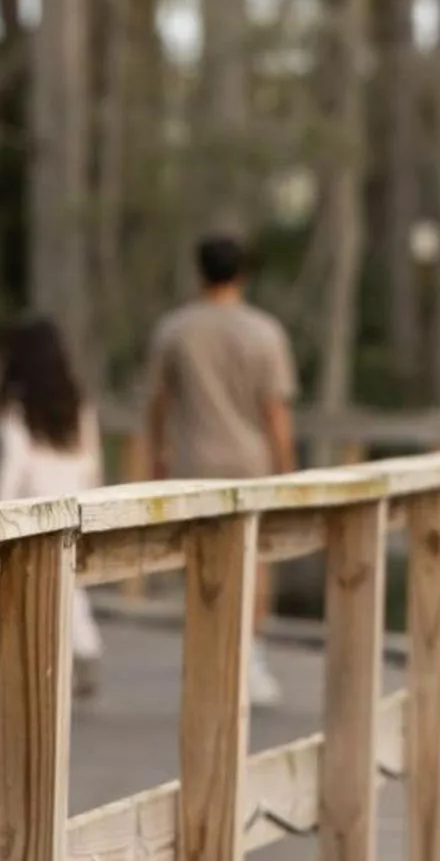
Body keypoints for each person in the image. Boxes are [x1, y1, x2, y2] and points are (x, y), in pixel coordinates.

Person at [141, 234, 298, 705]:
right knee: (256, 562)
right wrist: (287, 469)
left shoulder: (176, 330)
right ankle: (251, 659)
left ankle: (209, 655)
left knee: (200, 560)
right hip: (251, 461)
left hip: (195, 460)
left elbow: (158, 403)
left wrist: (157, 457)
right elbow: (275, 412)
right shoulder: (265, 332)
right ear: (243, 273)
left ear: (200, 271)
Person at [0, 316, 105, 698]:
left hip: (32, 509)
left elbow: (14, 467)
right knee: (70, 582)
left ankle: (55, 658)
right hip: (75, 502)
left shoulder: (19, 410)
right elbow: (91, 460)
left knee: (37, 587)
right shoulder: (77, 402)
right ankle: (82, 648)